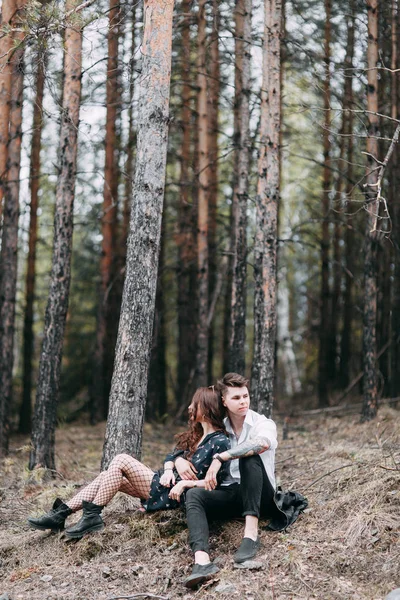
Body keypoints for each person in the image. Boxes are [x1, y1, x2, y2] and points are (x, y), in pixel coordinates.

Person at [28, 387, 231, 540]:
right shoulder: (197, 436)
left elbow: (218, 483)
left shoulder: (220, 441)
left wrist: (184, 483)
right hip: (164, 483)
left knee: (121, 459)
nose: (189, 407)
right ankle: (61, 514)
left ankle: (91, 517)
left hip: (174, 495)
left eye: (193, 404)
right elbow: (171, 456)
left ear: (205, 408)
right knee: (107, 475)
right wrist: (172, 467)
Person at [183, 372, 279, 588]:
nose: (243, 401)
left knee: (249, 457)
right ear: (224, 401)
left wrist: (222, 456)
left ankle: (251, 535)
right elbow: (190, 447)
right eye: (236, 398)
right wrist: (177, 463)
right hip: (231, 494)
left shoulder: (262, 423)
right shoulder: (219, 429)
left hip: (261, 495)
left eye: (245, 396)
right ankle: (202, 561)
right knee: (194, 494)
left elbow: (261, 443)